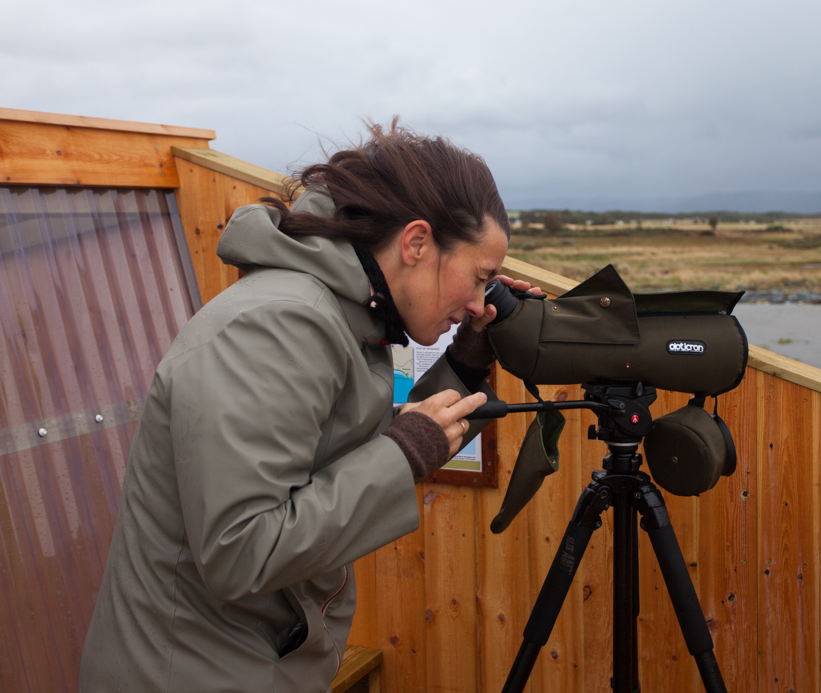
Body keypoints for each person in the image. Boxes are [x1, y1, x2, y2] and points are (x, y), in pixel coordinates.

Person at [80, 121, 537, 692]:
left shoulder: (346, 315)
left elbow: (350, 456)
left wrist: (467, 361)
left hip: (251, 662)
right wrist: (403, 455)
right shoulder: (273, 325)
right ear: (416, 243)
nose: (476, 302)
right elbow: (241, 550)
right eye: (479, 278)